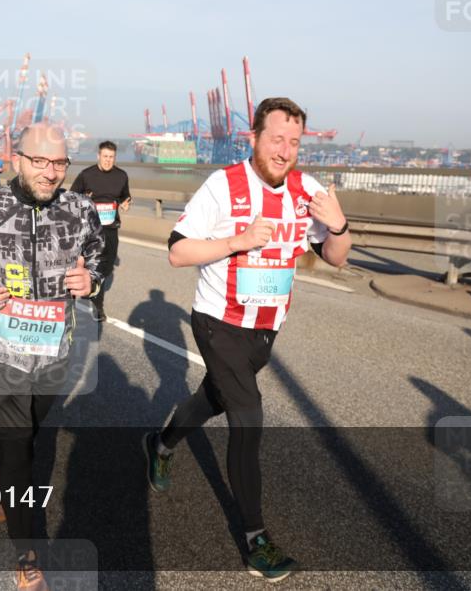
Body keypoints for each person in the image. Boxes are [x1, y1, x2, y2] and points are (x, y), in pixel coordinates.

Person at [143, 98, 352, 583]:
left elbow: (337, 257)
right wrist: (237, 241)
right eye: (276, 139)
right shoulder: (224, 185)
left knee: (214, 396)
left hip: (265, 328)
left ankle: (161, 443)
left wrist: (339, 223)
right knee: (248, 416)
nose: (285, 151)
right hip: (218, 322)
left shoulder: (307, 190)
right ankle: (256, 539)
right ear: (253, 138)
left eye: (294, 142)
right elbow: (177, 252)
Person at [0, 123, 103, 591]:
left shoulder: (79, 208)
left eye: (59, 163)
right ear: (18, 159)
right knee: (21, 444)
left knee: (28, 432)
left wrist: (91, 280)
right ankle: (27, 556)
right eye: (40, 161)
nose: (50, 172)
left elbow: (99, 252)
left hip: (54, 349)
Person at [70, 141, 132, 322]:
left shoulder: (121, 176)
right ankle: (96, 307)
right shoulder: (86, 175)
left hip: (110, 230)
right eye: (105, 156)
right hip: (89, 231)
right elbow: (72, 197)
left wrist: (126, 203)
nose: (107, 160)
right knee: (87, 266)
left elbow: (125, 196)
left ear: (115, 158)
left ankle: (92, 292)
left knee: (106, 268)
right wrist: (83, 200)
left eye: (111, 157)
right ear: (98, 156)